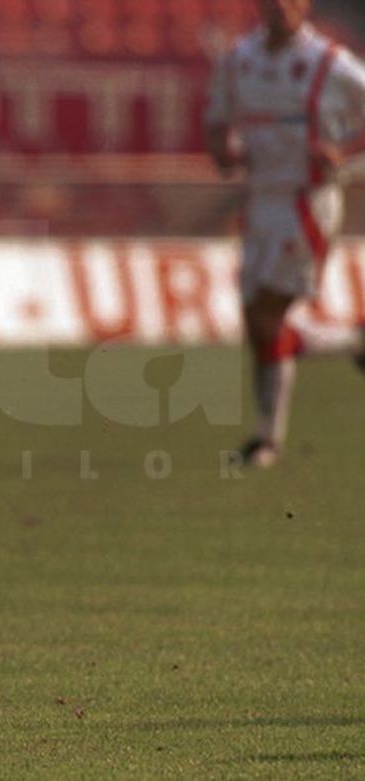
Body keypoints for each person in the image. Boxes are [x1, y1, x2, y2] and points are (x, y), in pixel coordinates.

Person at [205, 0, 365, 467]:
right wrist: (223, 150)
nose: (280, 7)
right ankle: (267, 436)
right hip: (258, 200)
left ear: (305, 5)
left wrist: (344, 150)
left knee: (268, 314)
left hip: (305, 200)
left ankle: (267, 441)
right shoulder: (240, 59)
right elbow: (217, 116)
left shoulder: (328, 61)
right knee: (258, 323)